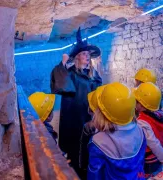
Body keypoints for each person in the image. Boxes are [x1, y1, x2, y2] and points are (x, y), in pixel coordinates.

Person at [50, 27, 102, 176]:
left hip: (88, 116)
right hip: (73, 117)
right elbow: (60, 86)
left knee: (89, 146)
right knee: (74, 148)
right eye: (84, 54)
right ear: (77, 57)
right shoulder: (70, 73)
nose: (87, 56)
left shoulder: (93, 74)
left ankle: (87, 171)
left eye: (88, 54)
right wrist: (63, 64)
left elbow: (98, 91)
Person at [88, 82, 146, 180]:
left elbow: (95, 175)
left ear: (101, 112)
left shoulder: (98, 142)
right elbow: (141, 164)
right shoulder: (140, 131)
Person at [133, 82, 163, 179]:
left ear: (141, 105)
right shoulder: (159, 114)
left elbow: (154, 144)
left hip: (151, 162)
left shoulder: (142, 123)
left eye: (136, 101)